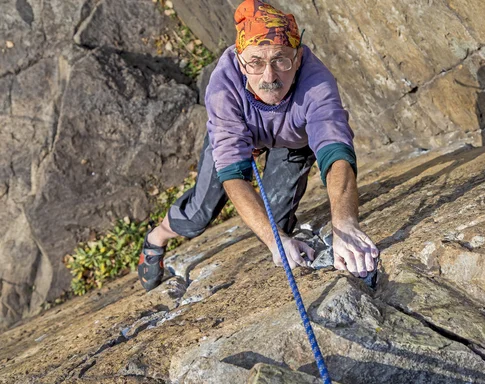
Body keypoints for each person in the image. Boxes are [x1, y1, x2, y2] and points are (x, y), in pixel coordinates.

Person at [137, 0, 379, 291]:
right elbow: (232, 175)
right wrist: (275, 241)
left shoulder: (317, 84)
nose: (269, 76)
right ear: (241, 62)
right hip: (239, 133)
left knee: (277, 225)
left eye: (280, 60)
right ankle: (157, 237)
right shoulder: (224, 87)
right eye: (256, 62)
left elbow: (335, 152)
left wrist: (345, 223)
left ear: (298, 58)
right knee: (198, 215)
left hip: (293, 141)